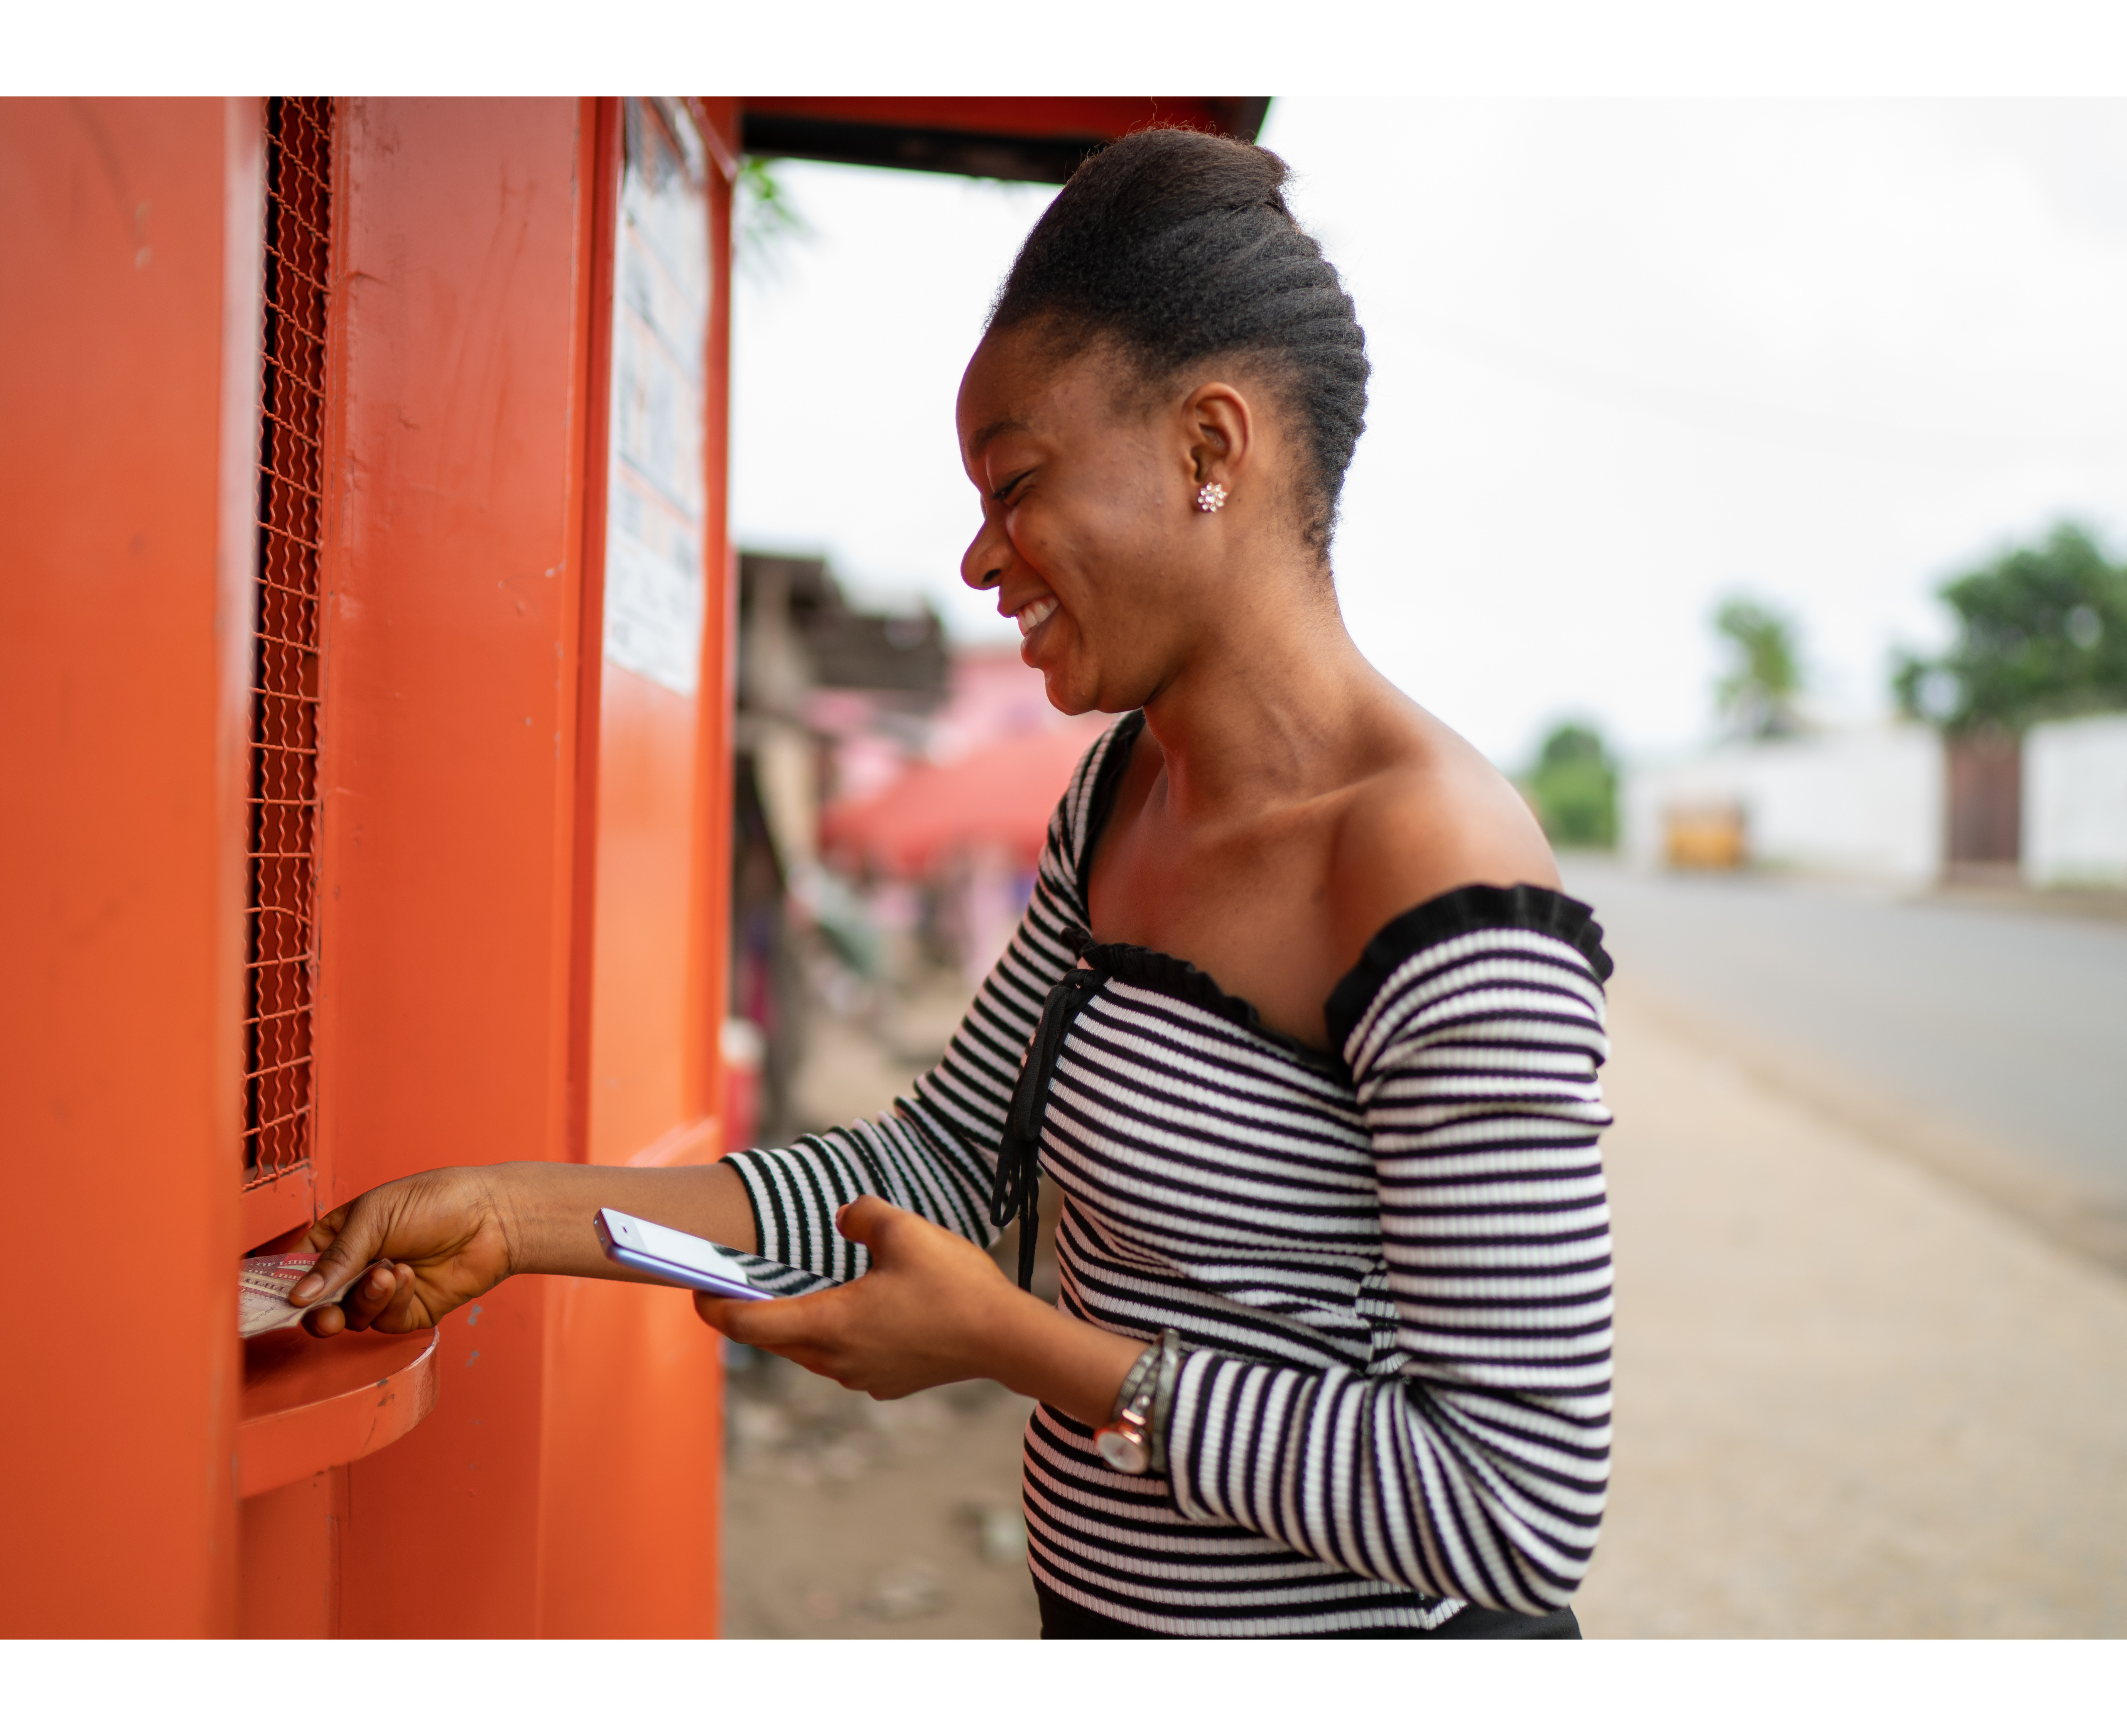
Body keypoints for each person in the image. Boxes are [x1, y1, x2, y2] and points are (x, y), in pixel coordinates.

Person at [287, 127, 1616, 1639]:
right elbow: (939, 1171)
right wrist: (518, 1218)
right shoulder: (1123, 794)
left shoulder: (1437, 869)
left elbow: (1520, 1508)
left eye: (1022, 483)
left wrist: (1023, 1347)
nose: (983, 559)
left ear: (1210, 449)